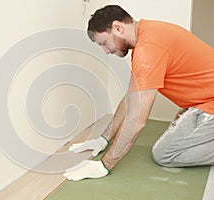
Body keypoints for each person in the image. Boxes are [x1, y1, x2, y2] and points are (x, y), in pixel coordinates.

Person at [63, 5, 214, 181]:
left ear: (118, 28)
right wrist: (103, 139)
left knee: (165, 154)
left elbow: (137, 119)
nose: (106, 51)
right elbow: (130, 98)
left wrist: (105, 164)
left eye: (104, 43)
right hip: (204, 102)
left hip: (209, 105)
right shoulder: (149, 35)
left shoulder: (148, 51)